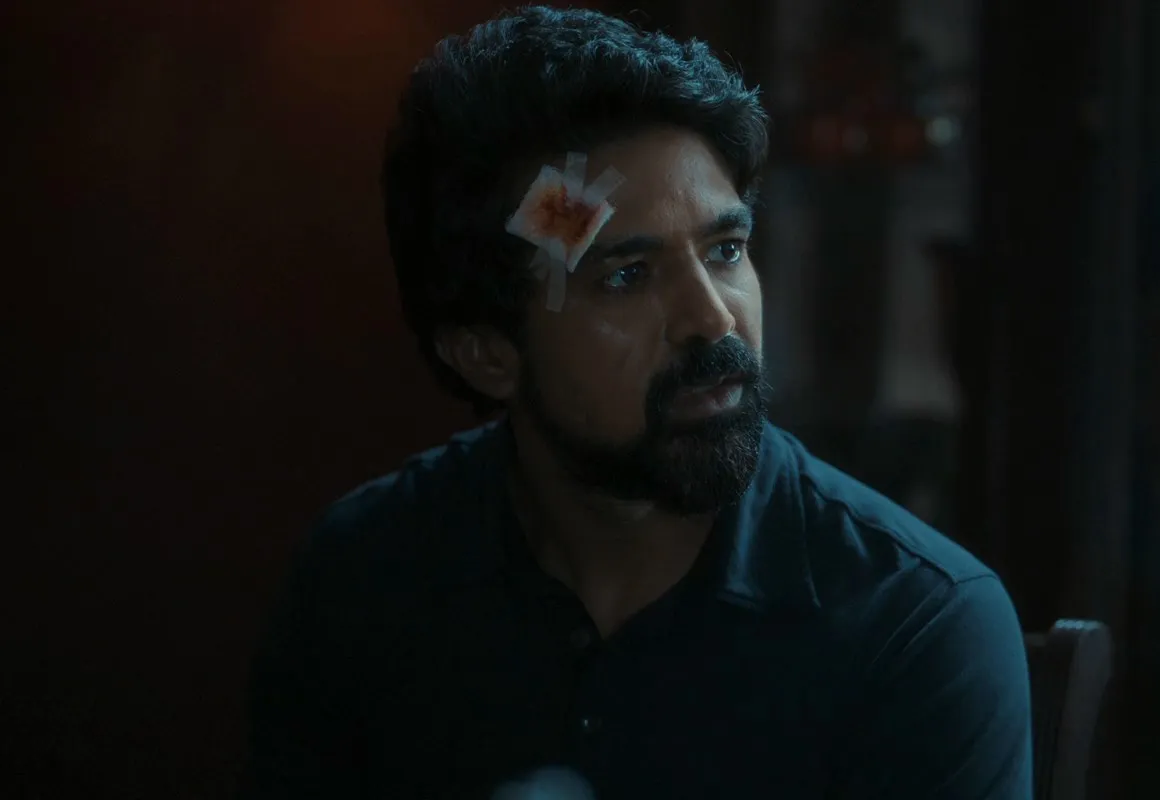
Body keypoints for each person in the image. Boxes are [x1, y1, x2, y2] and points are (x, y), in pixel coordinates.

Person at [241, 8, 1033, 798]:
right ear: (488, 354)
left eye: (726, 251)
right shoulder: (367, 582)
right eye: (626, 275)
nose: (713, 319)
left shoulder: (910, 624)